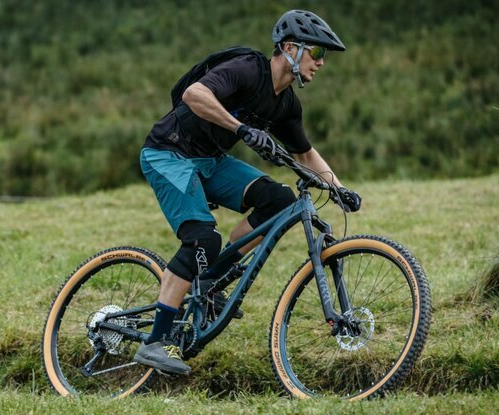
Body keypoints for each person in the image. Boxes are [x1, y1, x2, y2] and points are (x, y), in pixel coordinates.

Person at [134, 10, 361, 375]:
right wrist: (240, 128)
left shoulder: (286, 104)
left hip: (210, 161)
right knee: (202, 240)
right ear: (290, 48)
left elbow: (304, 154)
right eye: (317, 53)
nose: (321, 63)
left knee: (279, 201)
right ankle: (155, 341)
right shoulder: (247, 69)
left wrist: (339, 188)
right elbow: (194, 94)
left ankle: (211, 279)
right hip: (168, 153)